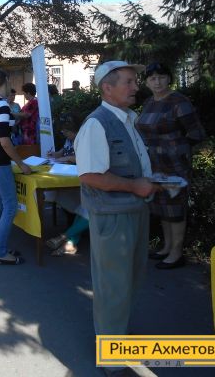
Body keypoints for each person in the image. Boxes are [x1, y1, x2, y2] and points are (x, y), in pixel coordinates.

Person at [74, 60, 159, 341]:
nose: (136, 87)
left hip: (133, 210)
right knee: (114, 284)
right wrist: (135, 186)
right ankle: (112, 352)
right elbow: (90, 175)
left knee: (130, 279)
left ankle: (117, 333)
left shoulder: (128, 118)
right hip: (113, 217)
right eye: (129, 82)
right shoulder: (96, 124)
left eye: (136, 81)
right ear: (107, 88)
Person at [136, 62, 206, 269]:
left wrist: (176, 148)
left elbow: (197, 133)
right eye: (152, 78)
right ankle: (166, 247)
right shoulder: (149, 102)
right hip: (154, 163)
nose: (157, 82)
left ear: (169, 78)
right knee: (161, 205)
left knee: (175, 206)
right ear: (146, 82)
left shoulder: (179, 101)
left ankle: (176, 253)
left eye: (161, 77)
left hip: (175, 165)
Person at [0, 70, 31, 265]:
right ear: (6, 81)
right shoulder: (1, 105)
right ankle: (0, 252)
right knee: (9, 206)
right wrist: (21, 163)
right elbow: (5, 141)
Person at [45, 113, 89, 256]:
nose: (64, 133)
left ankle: (64, 237)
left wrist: (67, 158)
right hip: (80, 182)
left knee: (86, 210)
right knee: (83, 209)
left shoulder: (84, 139)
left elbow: (82, 158)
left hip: (85, 180)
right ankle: (69, 243)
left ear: (74, 130)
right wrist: (55, 155)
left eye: (66, 131)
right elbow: (63, 152)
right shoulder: (69, 140)